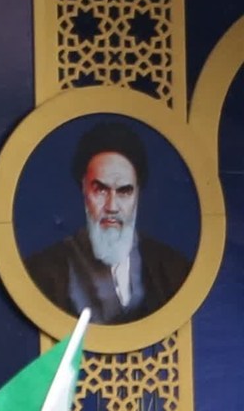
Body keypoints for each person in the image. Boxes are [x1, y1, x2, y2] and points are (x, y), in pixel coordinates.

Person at [24, 121, 191, 325]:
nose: (112, 206)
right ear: (84, 190)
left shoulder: (173, 270)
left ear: (137, 194)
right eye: (101, 190)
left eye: (124, 191)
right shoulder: (42, 273)